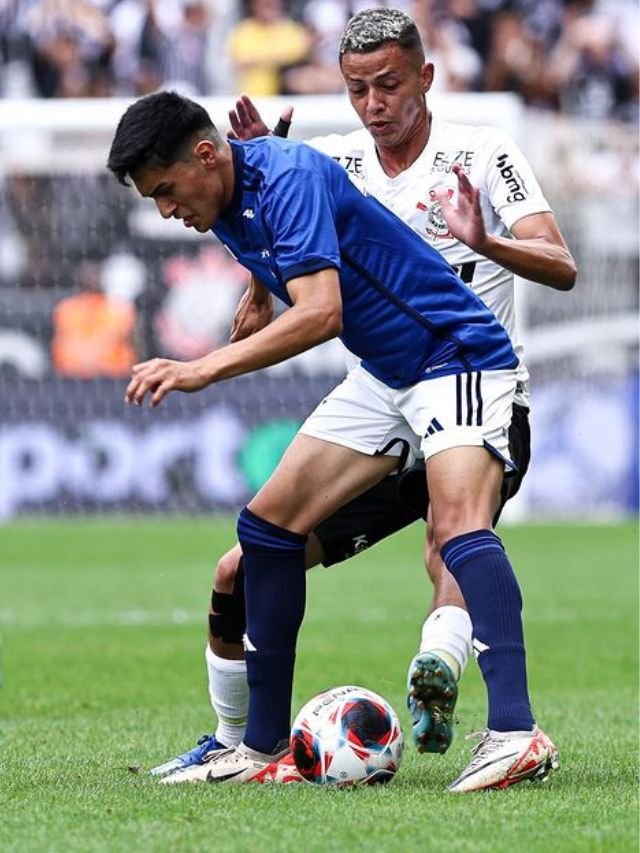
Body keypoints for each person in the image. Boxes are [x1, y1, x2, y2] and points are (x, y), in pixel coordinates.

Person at [148, 7, 577, 788]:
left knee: (454, 531)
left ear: (426, 78)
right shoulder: (331, 161)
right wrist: (257, 262)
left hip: (461, 361)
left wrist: (484, 242)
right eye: (356, 88)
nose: (373, 102)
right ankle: (259, 745)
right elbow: (278, 220)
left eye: (387, 84)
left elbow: (561, 262)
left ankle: (514, 729)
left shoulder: (481, 151)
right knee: (262, 535)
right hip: (384, 373)